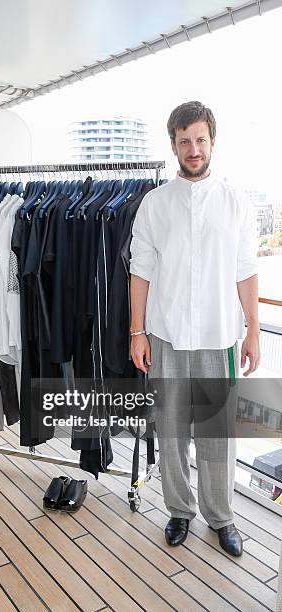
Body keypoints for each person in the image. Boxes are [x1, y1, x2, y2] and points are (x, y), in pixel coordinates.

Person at [129, 101, 260, 557]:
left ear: (212, 142)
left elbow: (246, 271)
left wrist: (254, 333)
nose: (193, 148)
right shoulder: (154, 204)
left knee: (217, 432)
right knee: (170, 429)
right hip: (164, 335)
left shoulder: (235, 202)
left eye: (200, 140)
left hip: (219, 334)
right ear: (173, 146)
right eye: (184, 141)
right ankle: (179, 511)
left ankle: (221, 517)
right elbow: (140, 271)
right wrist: (136, 332)